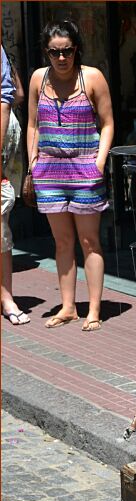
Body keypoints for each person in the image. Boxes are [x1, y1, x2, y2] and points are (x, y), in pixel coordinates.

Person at [27, 19, 113, 331]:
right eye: (54, 52)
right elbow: (33, 124)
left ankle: (92, 310)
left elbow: (107, 123)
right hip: (49, 170)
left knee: (90, 240)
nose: (61, 58)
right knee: (62, 242)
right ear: (46, 52)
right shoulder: (39, 78)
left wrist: (99, 163)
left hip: (85, 167)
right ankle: (67, 307)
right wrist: (32, 163)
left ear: (76, 49)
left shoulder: (92, 77)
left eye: (67, 51)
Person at [1, 44, 29, 325]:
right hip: (7, 151)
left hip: (4, 152)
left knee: (1, 227)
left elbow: (14, 94)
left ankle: (6, 296)